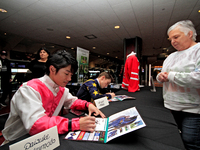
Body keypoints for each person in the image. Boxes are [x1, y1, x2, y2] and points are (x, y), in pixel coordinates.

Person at [2, 50, 105, 144]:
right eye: (66, 74)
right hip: (18, 141)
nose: (69, 78)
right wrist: (74, 124)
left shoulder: (61, 89)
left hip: (44, 139)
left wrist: (88, 105)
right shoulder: (29, 89)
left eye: (71, 75)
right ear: (52, 69)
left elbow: (72, 101)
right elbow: (36, 125)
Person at [156, 20, 200, 150]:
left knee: (190, 142)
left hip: (193, 110)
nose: (173, 42)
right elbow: (162, 75)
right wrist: (160, 77)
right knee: (176, 139)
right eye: (170, 39)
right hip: (171, 106)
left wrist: (171, 76)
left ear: (189, 34)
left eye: (176, 37)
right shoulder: (170, 56)